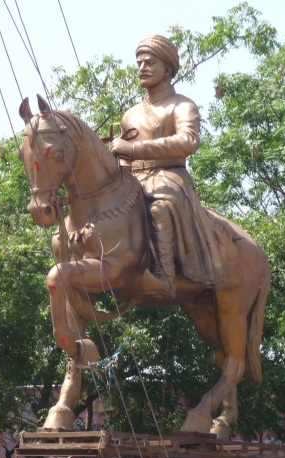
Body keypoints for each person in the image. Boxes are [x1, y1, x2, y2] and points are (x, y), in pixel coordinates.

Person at [109, 34, 223, 298]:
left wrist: (134, 149)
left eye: (149, 62)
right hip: (135, 178)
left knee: (161, 208)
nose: (142, 68)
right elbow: (124, 158)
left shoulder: (182, 105)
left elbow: (189, 141)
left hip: (169, 176)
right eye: (139, 63)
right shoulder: (131, 114)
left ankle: (165, 277)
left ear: (168, 68)